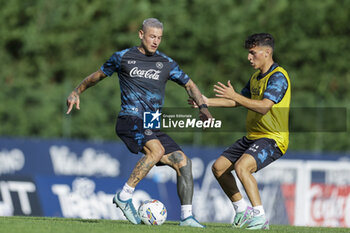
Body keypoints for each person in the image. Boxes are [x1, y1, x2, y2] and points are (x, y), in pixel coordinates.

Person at [66, 18, 211, 227]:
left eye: (159, 38)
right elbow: (97, 76)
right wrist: (76, 91)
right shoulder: (123, 57)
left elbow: (189, 84)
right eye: (152, 36)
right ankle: (124, 196)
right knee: (157, 150)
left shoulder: (166, 63)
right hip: (130, 118)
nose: (155, 42)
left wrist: (203, 108)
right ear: (141, 34)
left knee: (183, 162)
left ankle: (187, 217)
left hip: (152, 124)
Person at [190, 33, 291, 230]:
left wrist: (235, 95)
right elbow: (236, 101)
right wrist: (205, 101)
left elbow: (263, 107)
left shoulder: (278, 77)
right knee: (218, 168)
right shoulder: (255, 78)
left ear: (267, 52)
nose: (249, 57)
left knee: (242, 167)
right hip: (253, 137)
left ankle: (260, 217)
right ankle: (242, 211)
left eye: (253, 53)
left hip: (274, 138)